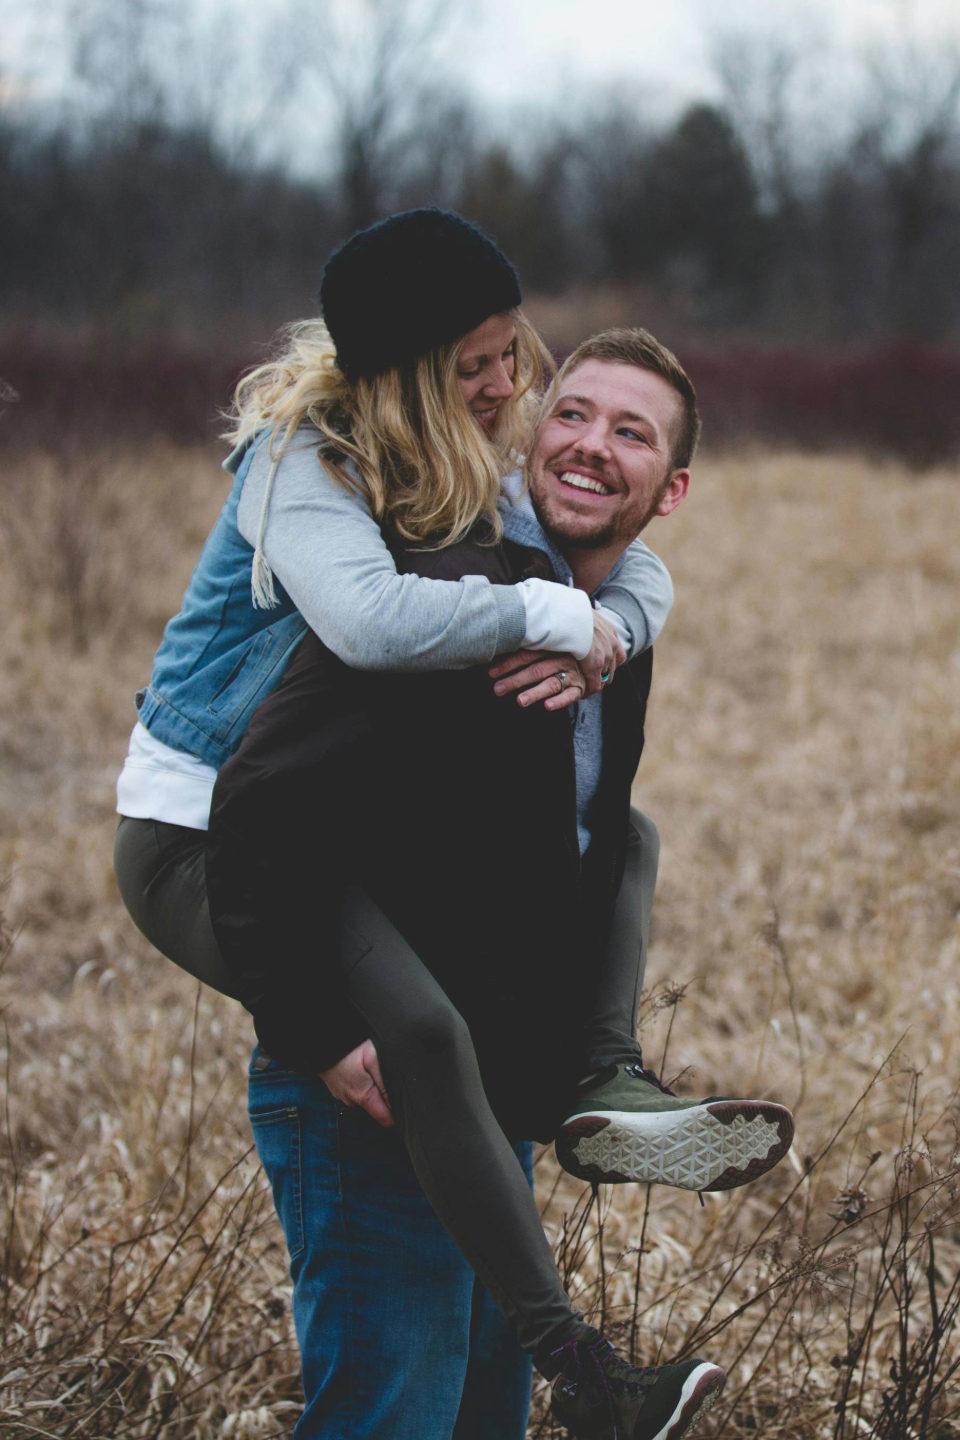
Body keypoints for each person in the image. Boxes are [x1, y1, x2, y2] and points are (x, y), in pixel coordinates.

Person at [203, 329, 795, 1440]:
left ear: (670, 491)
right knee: (394, 1419)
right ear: (528, 436)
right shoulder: (450, 596)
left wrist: (613, 631)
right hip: (368, 1081)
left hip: (478, 1092)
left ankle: (604, 1073)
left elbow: (566, 845)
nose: (591, 444)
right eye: (571, 413)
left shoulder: (608, 617)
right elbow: (254, 813)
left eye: (631, 432)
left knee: (481, 1420)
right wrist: (312, 1028)